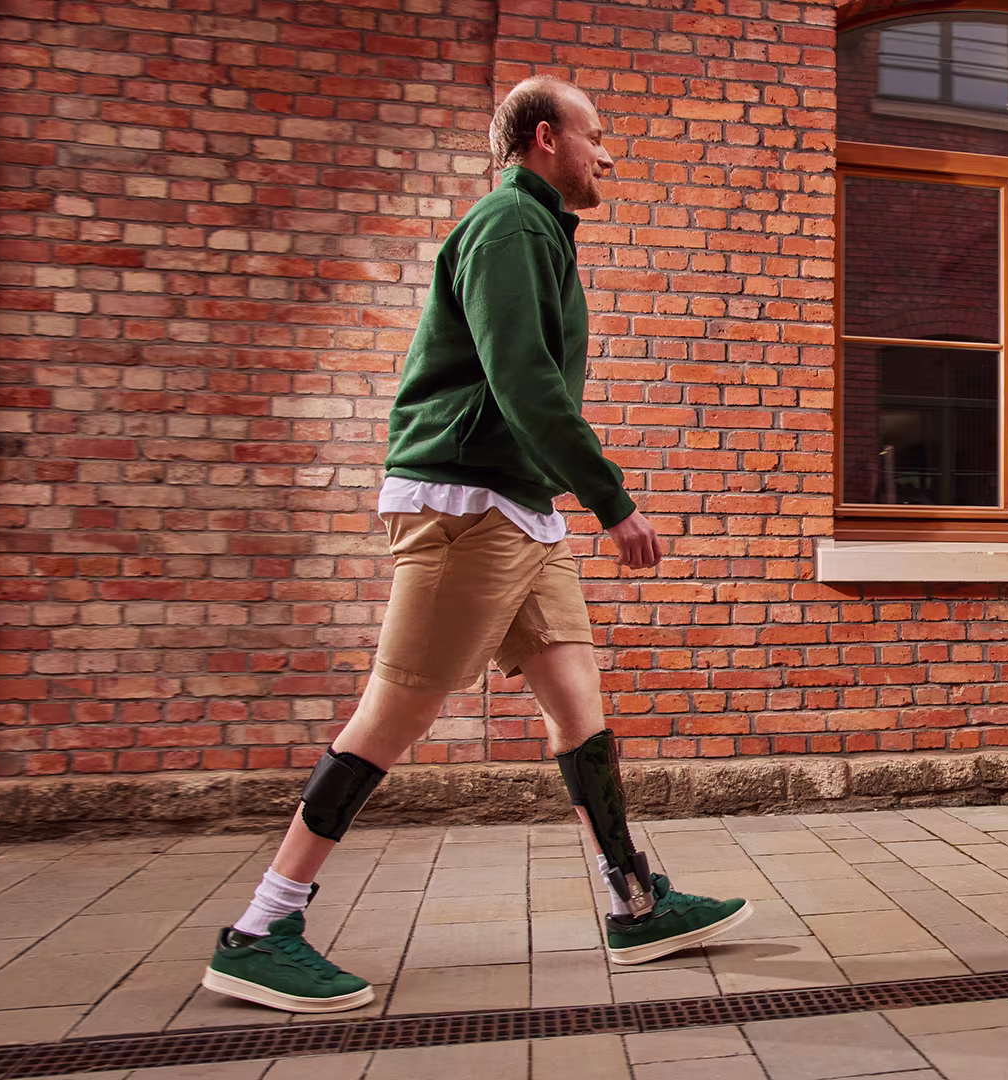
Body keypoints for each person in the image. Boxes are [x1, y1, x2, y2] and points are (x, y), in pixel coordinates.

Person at [198, 75, 752, 1014]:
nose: (608, 155)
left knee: (579, 702)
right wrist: (614, 501)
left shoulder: (539, 231)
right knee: (394, 714)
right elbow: (523, 378)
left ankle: (636, 901)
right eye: (597, 136)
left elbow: (533, 388)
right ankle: (262, 926)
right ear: (545, 138)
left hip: (520, 509)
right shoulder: (506, 226)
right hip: (466, 504)